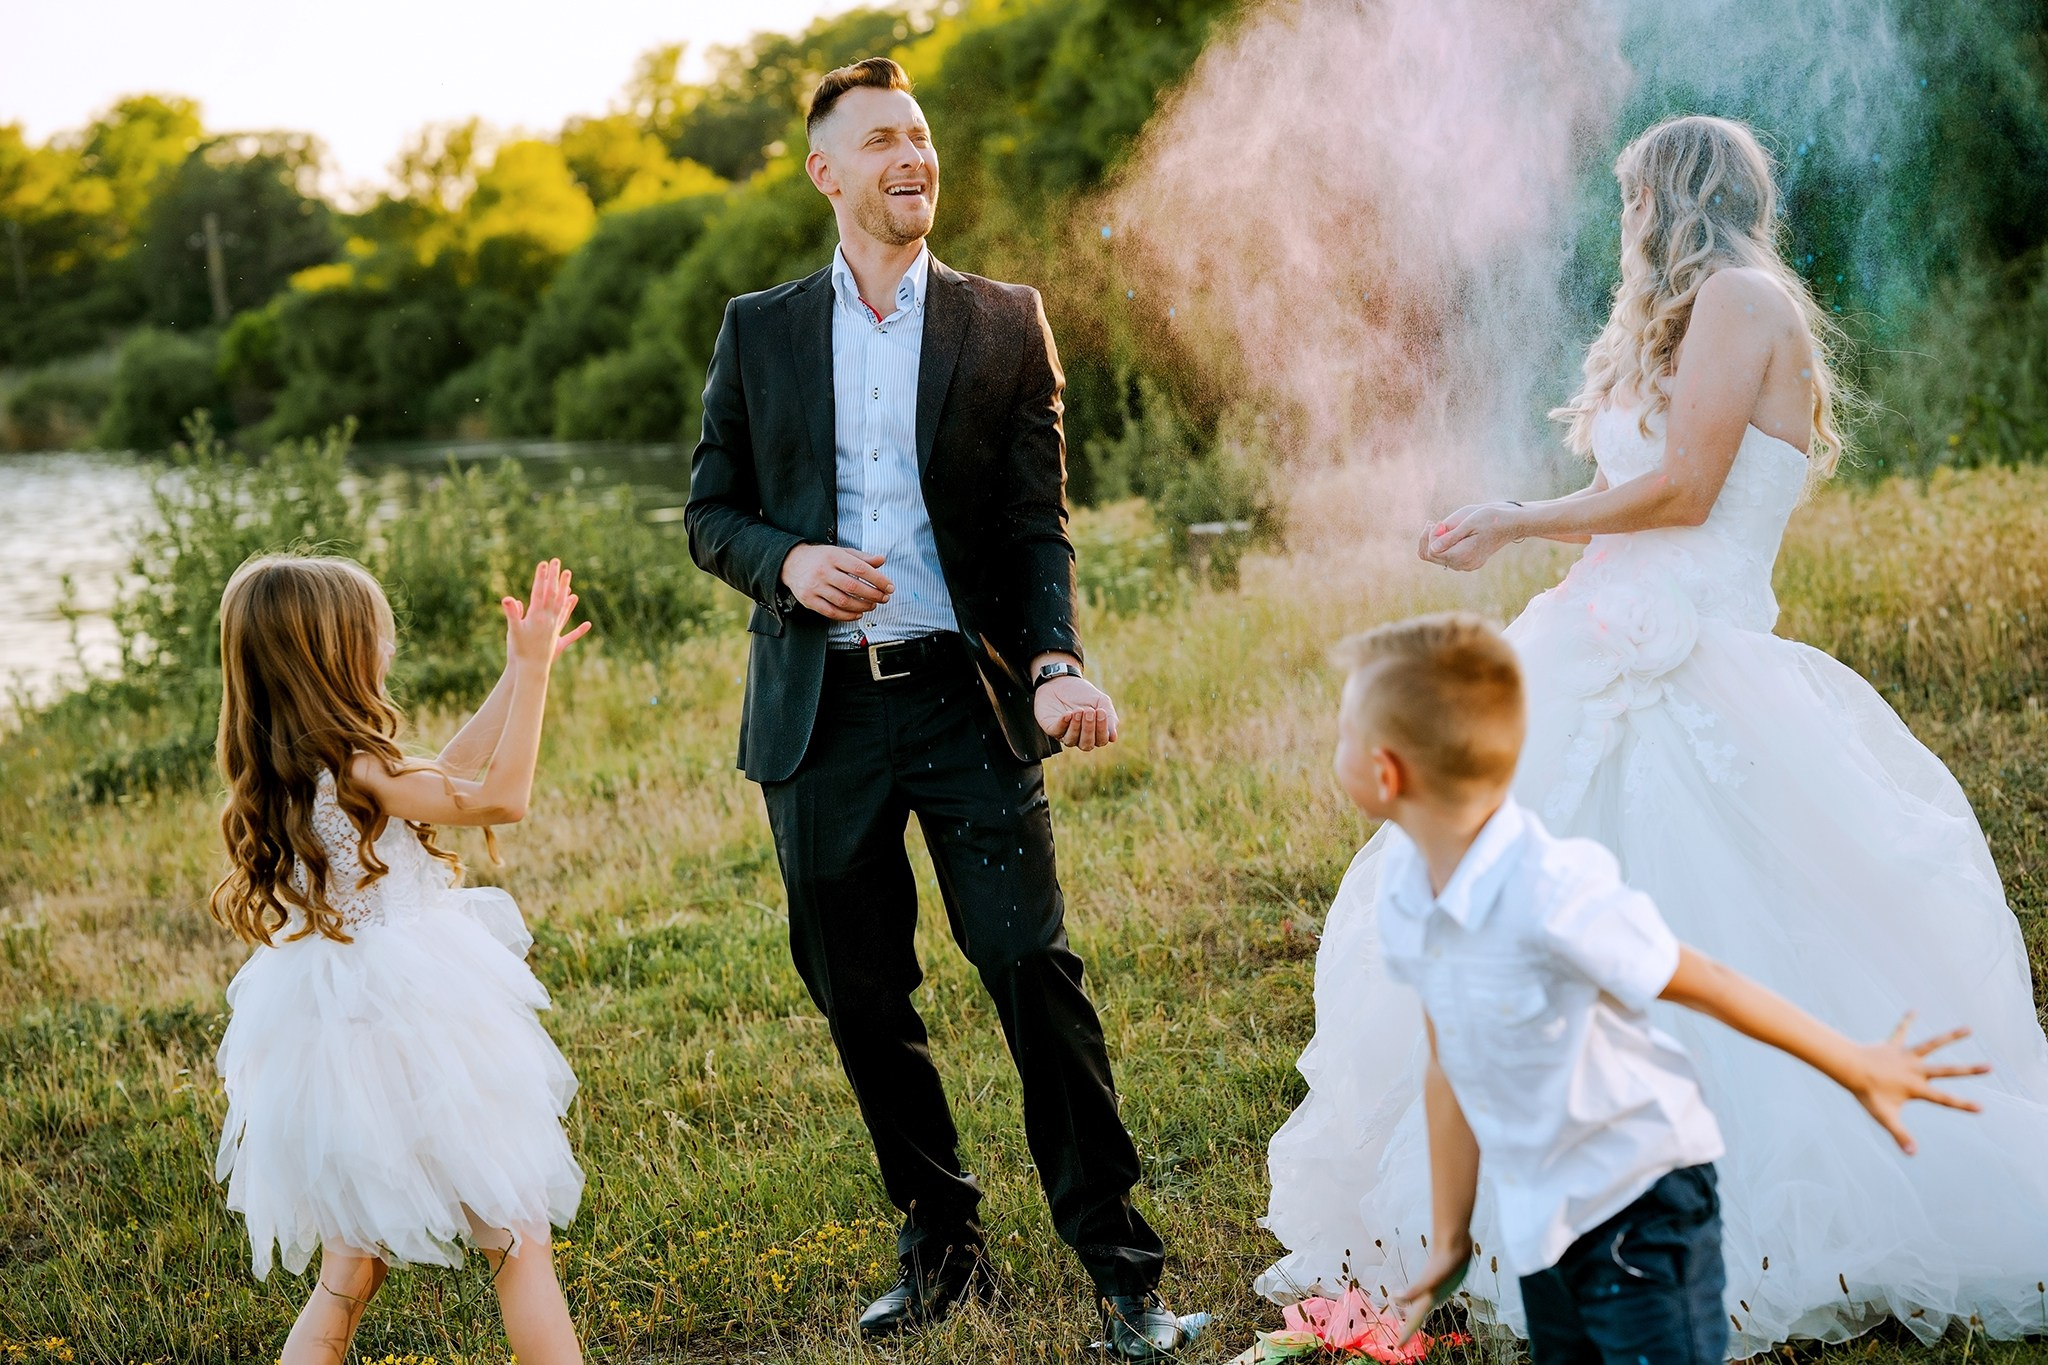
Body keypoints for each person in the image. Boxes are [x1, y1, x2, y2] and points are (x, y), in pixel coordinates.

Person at [1261, 114, 2048, 1352]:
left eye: (1633, 200)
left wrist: (1519, 519)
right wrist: (1531, 533)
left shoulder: (1739, 298)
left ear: (1673, 198)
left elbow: (1684, 492)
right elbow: (1638, 507)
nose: (1622, 224)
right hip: (1599, 643)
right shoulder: (1686, 321)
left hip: (1699, 660)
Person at [684, 56, 1201, 1358]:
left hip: (964, 703)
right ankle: (943, 1244)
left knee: (1032, 968)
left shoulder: (1003, 320)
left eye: (920, 136)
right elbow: (710, 511)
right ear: (826, 172)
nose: (912, 156)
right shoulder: (761, 328)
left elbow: (1038, 526)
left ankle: (1123, 1274)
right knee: (861, 995)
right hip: (820, 718)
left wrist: (1055, 662)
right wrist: (786, 564)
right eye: (881, 141)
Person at [1317, 612, 1983, 1363]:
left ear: (1386, 770)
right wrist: (1450, 1237)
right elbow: (1449, 1062)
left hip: (1643, 1203)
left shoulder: (1550, 891)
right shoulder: (1410, 888)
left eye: (1342, 732)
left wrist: (1856, 1063)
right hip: (1547, 1219)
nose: (1331, 748)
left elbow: (1710, 980)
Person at [210, 555, 591, 1365]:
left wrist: (517, 676)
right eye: (374, 630)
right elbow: (499, 798)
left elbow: (442, 777)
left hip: (335, 1032)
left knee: (349, 1267)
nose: (388, 642)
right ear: (334, 652)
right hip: (419, 1021)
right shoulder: (360, 766)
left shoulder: (308, 767)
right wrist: (531, 680)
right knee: (518, 1239)